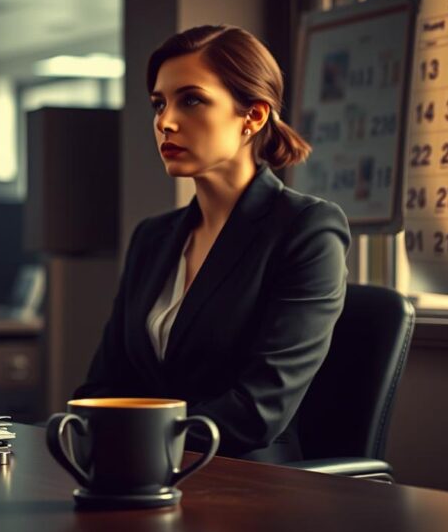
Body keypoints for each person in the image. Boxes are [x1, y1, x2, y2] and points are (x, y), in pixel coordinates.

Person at [72, 25, 350, 463]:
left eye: (192, 99)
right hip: (138, 472)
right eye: (159, 104)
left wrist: (141, 444)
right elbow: (103, 385)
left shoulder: (306, 228)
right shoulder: (152, 237)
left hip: (250, 485)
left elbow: (259, 410)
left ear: (253, 117)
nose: (165, 121)